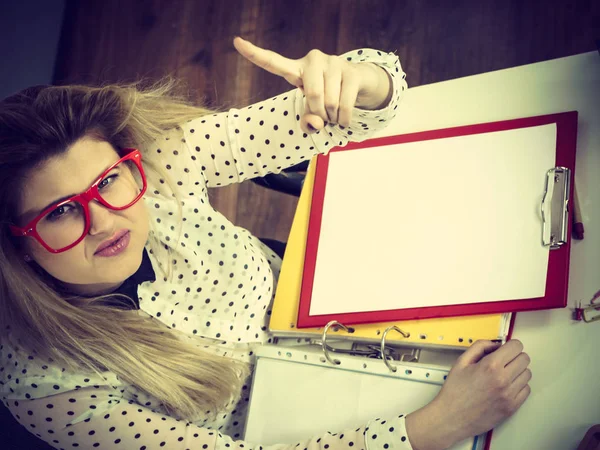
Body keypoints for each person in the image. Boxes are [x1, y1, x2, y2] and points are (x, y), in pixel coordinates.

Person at [0, 37, 531, 450]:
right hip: (305, 425)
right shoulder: (46, 385)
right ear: (16, 243)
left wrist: (357, 81)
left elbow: (371, 107)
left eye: (109, 181)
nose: (104, 222)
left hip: (328, 300)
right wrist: (435, 428)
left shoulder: (158, 162)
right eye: (62, 211)